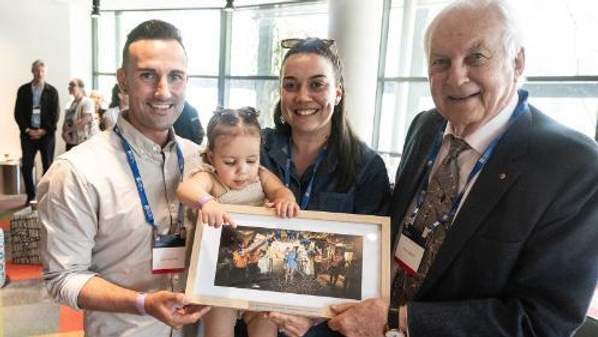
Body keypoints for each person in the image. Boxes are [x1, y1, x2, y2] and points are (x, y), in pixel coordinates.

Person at [312, 1, 598, 337]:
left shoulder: (572, 166)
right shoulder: (425, 127)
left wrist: (399, 320)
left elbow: (541, 321)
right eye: (441, 62)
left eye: (476, 57)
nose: (456, 77)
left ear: (517, 62)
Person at [38, 20, 210, 337]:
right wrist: (142, 302)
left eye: (175, 76)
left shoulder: (202, 160)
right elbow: (63, 278)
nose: (163, 91)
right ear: (123, 80)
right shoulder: (76, 171)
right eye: (148, 75)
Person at [176, 106, 299, 337]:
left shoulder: (260, 175)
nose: (242, 170)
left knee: (266, 328)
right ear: (212, 156)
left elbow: (282, 191)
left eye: (251, 160)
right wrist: (207, 202)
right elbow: (185, 189)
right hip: (218, 278)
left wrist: (285, 200)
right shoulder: (210, 178)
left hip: (259, 276)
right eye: (230, 162)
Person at [261, 38, 390, 216]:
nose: (303, 97)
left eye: (316, 85)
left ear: (337, 94)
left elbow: (373, 240)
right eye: (291, 85)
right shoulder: (255, 149)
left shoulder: (367, 167)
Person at [13, 59, 60, 203]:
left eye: (42, 71)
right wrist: (27, 129)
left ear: (45, 72)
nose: (39, 74)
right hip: (28, 135)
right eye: (37, 70)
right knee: (26, 166)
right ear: (32, 71)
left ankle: (46, 196)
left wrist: (44, 130)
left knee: (48, 167)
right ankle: (31, 195)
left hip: (46, 135)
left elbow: (55, 114)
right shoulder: (23, 90)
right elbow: (18, 112)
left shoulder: (52, 91)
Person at [62, 78, 98, 151]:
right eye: (69, 85)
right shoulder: (71, 104)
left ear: (81, 88)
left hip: (83, 142)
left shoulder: (87, 101)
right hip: (71, 141)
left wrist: (68, 131)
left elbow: (84, 120)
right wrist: (64, 133)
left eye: (73, 85)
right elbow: (66, 121)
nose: (70, 87)